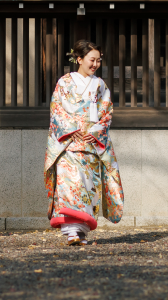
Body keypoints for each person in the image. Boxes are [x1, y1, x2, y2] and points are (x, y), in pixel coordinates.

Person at [44, 39, 124, 245]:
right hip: (68, 145)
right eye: (91, 59)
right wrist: (72, 129)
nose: (95, 64)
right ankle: (72, 232)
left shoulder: (100, 85)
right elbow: (57, 111)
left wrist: (96, 132)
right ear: (79, 59)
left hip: (90, 144)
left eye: (98, 60)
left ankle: (80, 233)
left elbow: (106, 113)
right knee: (69, 186)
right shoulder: (64, 82)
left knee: (88, 188)